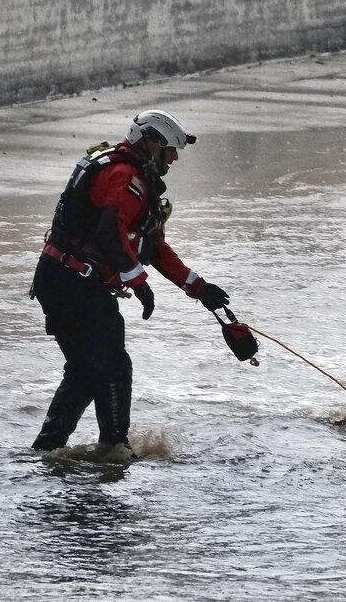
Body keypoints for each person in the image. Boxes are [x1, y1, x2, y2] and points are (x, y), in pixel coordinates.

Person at [30, 110, 231, 458]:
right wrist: (138, 282)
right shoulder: (125, 176)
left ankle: (46, 451)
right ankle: (114, 448)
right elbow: (110, 232)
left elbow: (153, 247)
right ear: (150, 143)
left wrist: (199, 288)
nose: (174, 157)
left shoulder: (130, 175)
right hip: (73, 281)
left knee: (84, 371)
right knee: (113, 365)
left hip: (61, 278)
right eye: (170, 149)